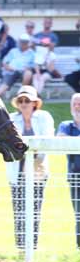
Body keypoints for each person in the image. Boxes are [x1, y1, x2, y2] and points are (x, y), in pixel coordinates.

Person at [7, 86, 54, 250]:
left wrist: (32, 156)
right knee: (19, 210)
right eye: (20, 101)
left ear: (34, 102)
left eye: (27, 100)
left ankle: (32, 247)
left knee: (35, 209)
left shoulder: (44, 117)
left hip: (38, 167)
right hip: (17, 168)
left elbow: (47, 140)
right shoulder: (11, 118)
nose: (24, 103)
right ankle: (20, 247)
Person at [56, 93, 80, 249]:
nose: (77, 106)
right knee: (79, 213)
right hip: (75, 177)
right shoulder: (66, 125)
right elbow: (60, 140)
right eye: (75, 104)